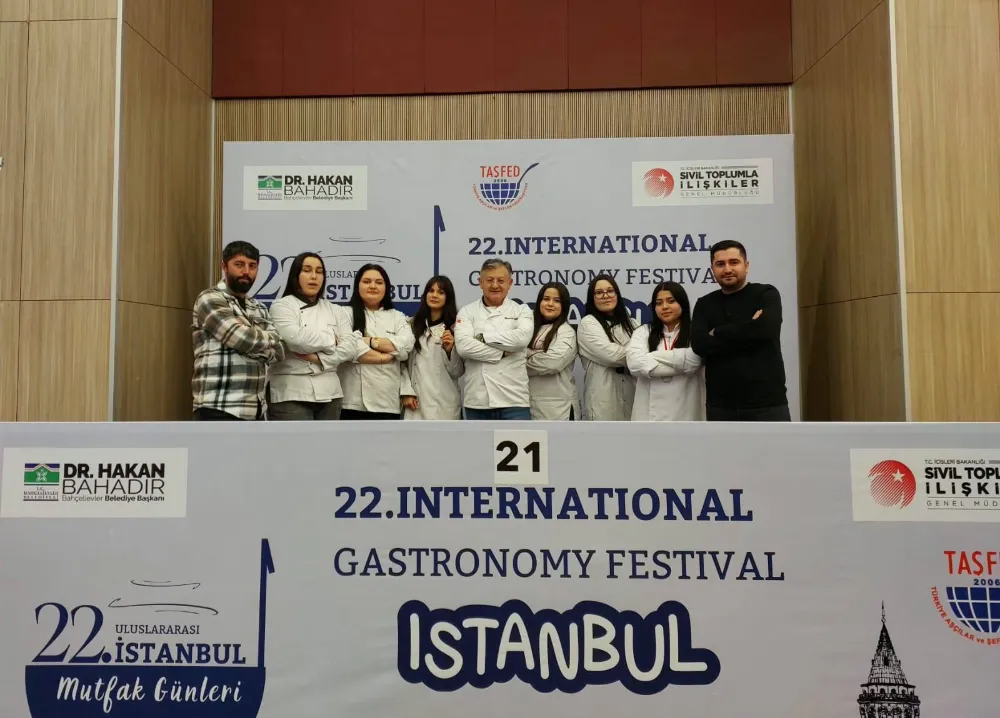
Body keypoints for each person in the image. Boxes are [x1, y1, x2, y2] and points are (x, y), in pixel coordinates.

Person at [691, 239, 789, 421]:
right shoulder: (704, 304)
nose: (727, 269)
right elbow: (699, 345)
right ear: (712, 269)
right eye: (720, 264)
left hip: (768, 404)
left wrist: (717, 332)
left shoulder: (765, 294)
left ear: (746, 265)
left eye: (734, 262)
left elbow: (767, 330)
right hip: (721, 406)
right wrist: (750, 331)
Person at [191, 240, 285, 420]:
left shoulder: (258, 307)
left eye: (252, 266)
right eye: (239, 265)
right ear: (224, 266)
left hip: (255, 410)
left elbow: (279, 351)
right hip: (218, 406)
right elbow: (241, 339)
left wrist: (250, 342)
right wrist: (263, 342)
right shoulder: (210, 298)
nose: (246, 272)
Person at [267, 252, 357, 420]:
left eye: (319, 271)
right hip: (291, 391)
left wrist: (319, 359)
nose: (314, 276)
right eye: (307, 270)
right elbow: (296, 339)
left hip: (331, 392)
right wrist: (331, 340)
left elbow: (351, 348)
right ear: (296, 276)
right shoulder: (281, 306)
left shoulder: (336, 310)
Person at [455, 258, 533, 420]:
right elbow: (463, 347)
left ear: (510, 283)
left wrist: (482, 337)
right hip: (477, 401)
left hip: (514, 401)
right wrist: (502, 353)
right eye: (489, 280)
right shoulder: (467, 312)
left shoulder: (522, 310)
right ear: (480, 283)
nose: (495, 285)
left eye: (501, 281)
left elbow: (521, 340)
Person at [339, 264, 415, 420]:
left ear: (386, 288)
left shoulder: (397, 316)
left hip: (386, 400)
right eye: (367, 281)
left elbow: (407, 344)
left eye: (379, 282)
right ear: (357, 286)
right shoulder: (344, 314)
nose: (373, 286)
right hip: (351, 401)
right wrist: (385, 355)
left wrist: (369, 341)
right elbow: (346, 347)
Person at [626, 282, 704, 421]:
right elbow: (635, 364)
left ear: (682, 303)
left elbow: (693, 362)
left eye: (671, 301)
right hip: (648, 415)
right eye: (659, 303)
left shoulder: (696, 332)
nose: (664, 307)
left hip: (687, 409)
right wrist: (681, 363)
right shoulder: (643, 332)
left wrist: (651, 357)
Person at [400, 276, 464, 420]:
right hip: (415, 403)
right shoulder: (411, 325)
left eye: (440, 292)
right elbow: (401, 363)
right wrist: (406, 391)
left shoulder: (456, 328)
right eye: (431, 291)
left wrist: (449, 350)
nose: (434, 295)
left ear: (448, 297)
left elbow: (457, 372)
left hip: (444, 405)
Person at [577, 274, 636, 420]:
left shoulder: (633, 324)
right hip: (603, 399)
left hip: (633, 395)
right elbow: (611, 356)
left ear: (617, 294)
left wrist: (640, 356)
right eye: (599, 292)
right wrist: (638, 355)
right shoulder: (588, 323)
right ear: (592, 298)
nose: (605, 296)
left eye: (610, 291)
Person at [525, 282, 579, 421]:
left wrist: (521, 358)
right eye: (546, 299)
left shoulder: (566, 332)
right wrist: (539, 354)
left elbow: (552, 364)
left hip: (558, 408)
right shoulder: (526, 328)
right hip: (526, 404)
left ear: (564, 306)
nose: (550, 304)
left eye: (557, 301)